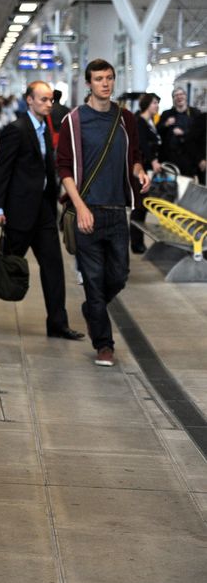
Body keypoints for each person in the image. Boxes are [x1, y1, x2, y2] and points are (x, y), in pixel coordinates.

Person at [0, 81, 84, 340]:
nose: (48, 104)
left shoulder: (45, 128)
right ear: (30, 100)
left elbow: (47, 168)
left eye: (50, 100)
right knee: (3, 268)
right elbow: (1, 170)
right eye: (43, 99)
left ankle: (57, 323)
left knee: (54, 267)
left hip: (44, 211)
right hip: (19, 213)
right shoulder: (16, 130)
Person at [56, 59, 150, 367]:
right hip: (88, 212)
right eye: (99, 79)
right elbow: (65, 169)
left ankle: (92, 310)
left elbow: (134, 156)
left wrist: (139, 172)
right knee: (94, 282)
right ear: (88, 84)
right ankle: (104, 344)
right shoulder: (74, 121)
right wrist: (80, 207)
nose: (106, 84)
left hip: (116, 211)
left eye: (109, 78)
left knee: (119, 275)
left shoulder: (126, 119)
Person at [131, 93, 162, 254]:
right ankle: (136, 243)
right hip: (142, 169)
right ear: (147, 105)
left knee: (143, 206)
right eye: (155, 103)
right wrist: (153, 160)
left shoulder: (151, 122)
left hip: (149, 169)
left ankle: (138, 241)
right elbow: (142, 144)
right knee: (139, 206)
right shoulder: (140, 122)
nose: (157, 106)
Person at [158, 87, 202, 182]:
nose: (179, 97)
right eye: (176, 95)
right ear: (173, 99)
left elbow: (200, 135)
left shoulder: (195, 113)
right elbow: (158, 131)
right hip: (171, 158)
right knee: (170, 187)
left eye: (181, 94)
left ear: (186, 96)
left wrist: (183, 133)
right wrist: (166, 124)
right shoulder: (167, 114)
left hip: (190, 158)